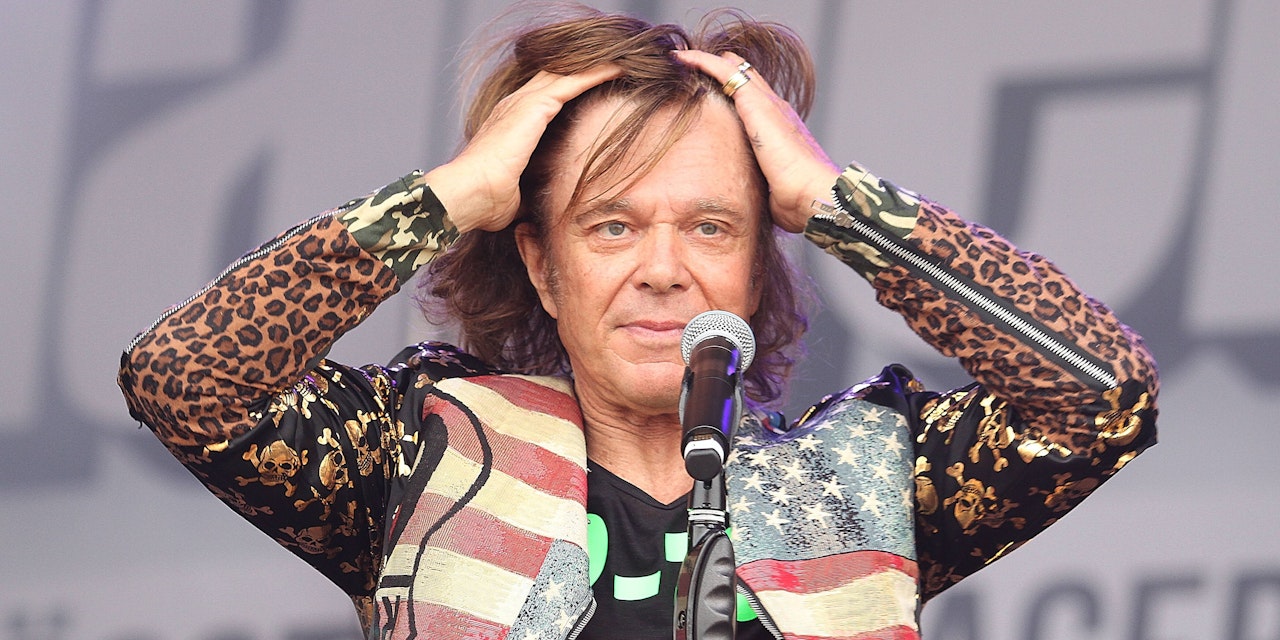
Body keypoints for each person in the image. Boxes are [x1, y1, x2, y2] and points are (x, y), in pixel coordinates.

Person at [117, 6, 1158, 640]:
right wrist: (447, 198)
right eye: (611, 225)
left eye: (710, 226)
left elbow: (1100, 397)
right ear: (542, 262)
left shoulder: (865, 474)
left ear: (757, 265)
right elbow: (184, 380)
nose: (662, 270)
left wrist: (837, 205)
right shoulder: (420, 450)